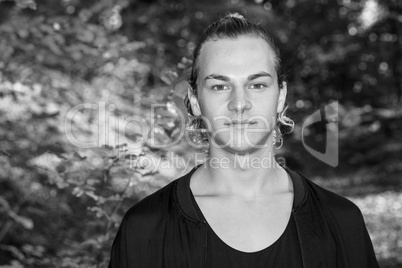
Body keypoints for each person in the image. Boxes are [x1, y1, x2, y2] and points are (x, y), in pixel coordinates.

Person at [108, 13, 379, 268]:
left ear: (281, 96)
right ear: (194, 100)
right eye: (220, 86)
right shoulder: (144, 230)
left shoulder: (342, 222)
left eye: (257, 84)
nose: (239, 103)